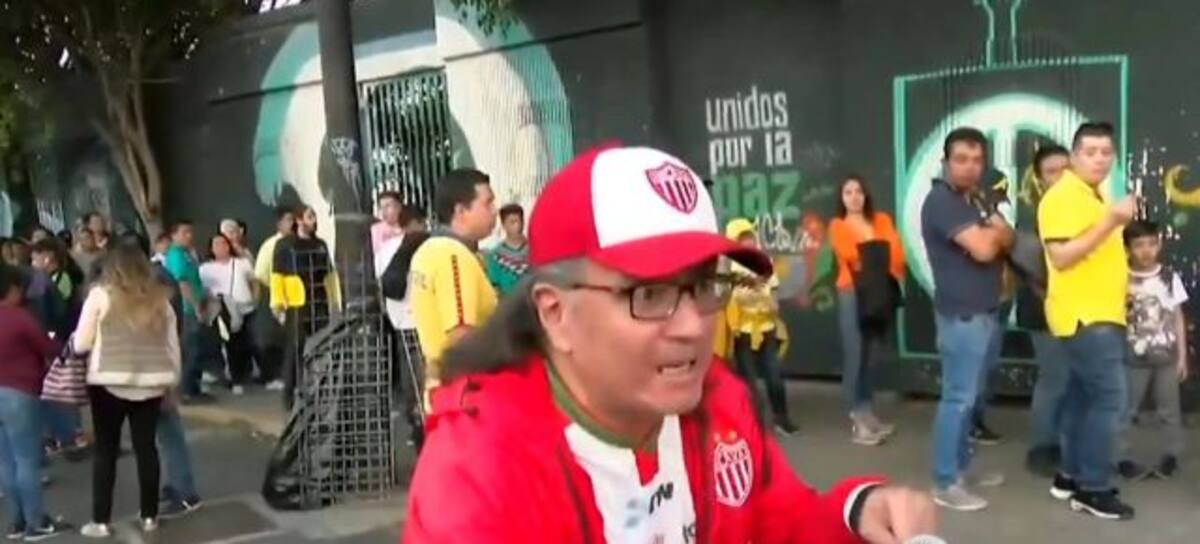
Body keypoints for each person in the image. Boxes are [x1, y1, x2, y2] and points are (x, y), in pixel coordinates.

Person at [404, 145, 939, 543]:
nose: (692, 326)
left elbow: (779, 521)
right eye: (650, 293)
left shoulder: (720, 401)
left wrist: (856, 511)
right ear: (555, 313)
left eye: (704, 285)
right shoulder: (478, 474)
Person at [1039, 121, 1136, 520]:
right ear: (1074, 156)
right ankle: (1093, 488)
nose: (1099, 159)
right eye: (1090, 152)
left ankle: (1070, 475)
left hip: (1098, 314)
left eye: (1106, 152)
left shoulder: (1093, 195)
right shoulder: (1064, 196)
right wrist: (1112, 221)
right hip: (1087, 317)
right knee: (1110, 399)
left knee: (1082, 399)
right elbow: (1062, 256)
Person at [921, 127, 1013, 512]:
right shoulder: (942, 202)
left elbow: (1006, 235)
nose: (970, 167)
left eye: (977, 160)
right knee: (958, 399)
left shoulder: (971, 199)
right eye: (961, 159)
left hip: (983, 311)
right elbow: (985, 249)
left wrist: (996, 236)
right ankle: (945, 481)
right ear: (945, 162)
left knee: (968, 399)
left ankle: (960, 469)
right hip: (963, 315)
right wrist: (995, 235)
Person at [73, 241, 180, 538]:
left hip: (108, 381)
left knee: (105, 451)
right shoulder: (161, 299)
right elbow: (172, 345)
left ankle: (101, 521)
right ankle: (149, 516)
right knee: (147, 448)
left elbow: (81, 343)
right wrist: (172, 381)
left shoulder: (99, 295)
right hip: (152, 382)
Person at [409, 169, 498, 406]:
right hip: (466, 398)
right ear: (460, 211)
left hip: (445, 395)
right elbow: (460, 336)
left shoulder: (430, 250)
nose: (494, 210)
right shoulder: (452, 255)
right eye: (487, 203)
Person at [829, 175, 904, 446]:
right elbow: (850, 255)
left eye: (858, 191)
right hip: (852, 292)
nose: (854, 197)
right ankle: (857, 420)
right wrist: (877, 253)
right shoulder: (837, 225)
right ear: (842, 198)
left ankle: (867, 412)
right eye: (848, 192)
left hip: (880, 292)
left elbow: (897, 255)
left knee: (872, 356)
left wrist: (871, 256)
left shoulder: (881, 220)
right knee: (855, 355)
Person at [1113, 220, 1188, 481]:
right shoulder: (1120, 277)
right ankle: (1121, 457)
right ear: (1127, 249)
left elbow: (1177, 316)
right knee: (1126, 409)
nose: (1146, 251)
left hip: (1166, 356)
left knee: (1169, 410)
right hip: (1132, 357)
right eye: (1139, 245)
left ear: (1159, 245)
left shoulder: (1169, 277)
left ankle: (1171, 455)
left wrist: (1182, 356)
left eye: (1152, 244)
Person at [0, 264, 69, 540]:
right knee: (26, 460)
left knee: (5, 462)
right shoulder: (20, 318)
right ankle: (36, 522)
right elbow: (49, 347)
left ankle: (17, 521)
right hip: (19, 392)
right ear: (12, 289)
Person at [1021, 144, 1072, 477]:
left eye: (1066, 169)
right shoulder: (1034, 214)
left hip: (1076, 309)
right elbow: (1031, 269)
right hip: (1043, 308)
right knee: (1054, 378)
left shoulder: (1083, 208)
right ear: (1039, 179)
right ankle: (1041, 447)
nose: (1061, 176)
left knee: (1069, 379)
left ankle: (1064, 445)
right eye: (1052, 171)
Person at [724, 218, 798, 435]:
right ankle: (752, 424)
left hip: (766, 329)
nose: (747, 242)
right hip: (743, 333)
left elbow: (773, 295)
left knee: (775, 377)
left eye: (749, 237)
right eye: (741, 238)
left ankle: (781, 418)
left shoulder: (764, 263)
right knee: (748, 383)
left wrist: (771, 303)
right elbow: (733, 298)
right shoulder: (730, 269)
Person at [270, 206, 340, 408]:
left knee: (320, 345)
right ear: (299, 220)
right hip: (296, 303)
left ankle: (315, 389)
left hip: (319, 300)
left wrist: (335, 301)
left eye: (314, 216)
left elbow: (329, 275)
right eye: (309, 217)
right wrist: (277, 304)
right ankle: (289, 393)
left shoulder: (320, 244)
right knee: (295, 348)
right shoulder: (285, 245)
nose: (313, 221)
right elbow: (277, 276)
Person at [374, 204, 429, 447]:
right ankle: (426, 424)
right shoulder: (427, 246)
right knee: (428, 375)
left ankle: (415, 422)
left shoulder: (386, 249)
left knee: (411, 377)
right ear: (417, 223)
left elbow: (380, 282)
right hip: (425, 318)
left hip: (401, 321)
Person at [199, 234, 258, 395]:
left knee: (243, 343)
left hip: (244, 307)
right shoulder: (205, 269)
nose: (221, 247)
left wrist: (255, 300)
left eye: (224, 243)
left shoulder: (242, 263)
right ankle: (232, 377)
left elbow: (254, 282)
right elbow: (203, 291)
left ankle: (243, 373)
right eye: (216, 244)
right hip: (221, 309)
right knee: (228, 344)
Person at [162, 221, 212, 404]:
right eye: (184, 232)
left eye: (190, 232)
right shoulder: (176, 255)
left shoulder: (188, 254)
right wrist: (196, 305)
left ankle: (194, 388)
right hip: (185, 309)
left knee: (197, 348)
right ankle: (185, 391)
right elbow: (182, 283)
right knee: (189, 349)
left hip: (194, 306)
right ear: (174, 235)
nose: (189, 236)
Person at [253, 207, 295, 392]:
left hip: (296, 297)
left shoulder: (298, 242)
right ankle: (271, 376)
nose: (292, 224)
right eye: (288, 220)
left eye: (293, 219)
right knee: (273, 340)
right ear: (279, 223)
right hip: (275, 296)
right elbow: (260, 274)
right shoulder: (270, 245)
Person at [484, 203, 530, 296]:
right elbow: (494, 287)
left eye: (520, 221)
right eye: (512, 222)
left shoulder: (536, 250)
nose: (518, 226)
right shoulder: (494, 255)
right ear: (503, 225)